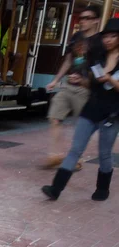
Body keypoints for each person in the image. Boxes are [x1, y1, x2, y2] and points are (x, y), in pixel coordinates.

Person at [42, 19, 119, 201]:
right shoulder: (98, 56)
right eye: (106, 36)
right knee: (75, 149)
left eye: (113, 36)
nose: (108, 40)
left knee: (104, 153)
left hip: (112, 113)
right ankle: (55, 188)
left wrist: (109, 79)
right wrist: (80, 80)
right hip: (91, 108)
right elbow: (90, 82)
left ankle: (102, 188)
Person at [44, 6, 105, 170]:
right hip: (69, 85)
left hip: (86, 90)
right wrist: (56, 80)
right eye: (81, 18)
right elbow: (69, 60)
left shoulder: (100, 41)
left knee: (82, 126)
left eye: (87, 18)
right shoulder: (76, 37)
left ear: (96, 20)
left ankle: (76, 158)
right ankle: (55, 155)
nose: (83, 21)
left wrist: (86, 80)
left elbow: (102, 69)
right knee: (55, 118)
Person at [0, 11, 23, 86]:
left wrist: (16, 29)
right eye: (7, 19)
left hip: (2, 51)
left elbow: (13, 38)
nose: (9, 21)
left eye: (11, 19)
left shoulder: (10, 29)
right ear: (3, 18)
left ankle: (8, 76)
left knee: (18, 55)